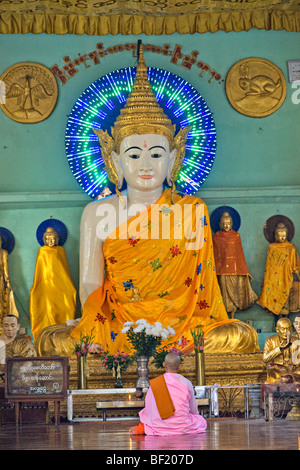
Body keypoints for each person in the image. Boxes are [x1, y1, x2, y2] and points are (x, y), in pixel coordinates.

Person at [35, 43, 260, 357]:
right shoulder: (98, 212)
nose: (145, 164)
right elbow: (89, 284)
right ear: (115, 161)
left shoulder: (192, 211)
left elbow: (202, 288)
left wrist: (174, 321)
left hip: (181, 325)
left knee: (237, 336)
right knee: (53, 341)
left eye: (156, 154)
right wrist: (96, 322)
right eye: (133, 154)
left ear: (172, 160)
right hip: (116, 323)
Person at [130, 353, 207, 436]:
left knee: (149, 423)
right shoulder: (187, 382)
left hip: (159, 425)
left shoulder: (156, 383)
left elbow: (149, 408)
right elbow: (193, 409)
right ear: (179, 366)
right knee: (201, 421)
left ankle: (147, 428)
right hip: (183, 425)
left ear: (163, 365)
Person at [30, 226, 76, 339]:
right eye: (48, 239)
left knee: (67, 302)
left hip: (60, 284)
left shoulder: (60, 250)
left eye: (53, 239)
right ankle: (44, 336)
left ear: (57, 239)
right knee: (47, 308)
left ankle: (63, 335)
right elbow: (39, 273)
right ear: (44, 239)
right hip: (45, 285)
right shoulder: (42, 251)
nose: (51, 241)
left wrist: (68, 286)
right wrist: (37, 287)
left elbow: (64, 270)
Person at [212, 210, 258, 318]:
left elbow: (239, 254)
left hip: (234, 270)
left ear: (232, 224)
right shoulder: (216, 237)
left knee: (235, 293)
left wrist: (245, 271)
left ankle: (232, 316)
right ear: (220, 224)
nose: (226, 225)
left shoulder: (236, 236)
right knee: (224, 294)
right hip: (222, 270)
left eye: (228, 223)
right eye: (224, 223)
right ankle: (224, 316)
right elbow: (214, 254)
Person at [258, 221, 300, 317]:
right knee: (274, 296)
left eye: (284, 235)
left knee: (286, 299)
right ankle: (279, 320)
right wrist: (268, 279)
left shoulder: (291, 248)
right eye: (280, 235)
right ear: (276, 235)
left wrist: (298, 276)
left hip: (286, 277)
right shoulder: (272, 247)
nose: (282, 238)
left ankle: (286, 321)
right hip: (274, 278)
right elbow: (269, 265)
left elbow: (295, 265)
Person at [262, 316, 300, 383]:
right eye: (283, 329)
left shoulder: (296, 341)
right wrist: (279, 349)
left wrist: (294, 365)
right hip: (279, 370)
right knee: (270, 366)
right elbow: (265, 359)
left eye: (288, 329)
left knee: (288, 377)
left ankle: (288, 376)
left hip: (294, 371)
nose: (285, 332)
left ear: (291, 329)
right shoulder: (270, 341)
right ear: (277, 330)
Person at [0, 234, 19, 324]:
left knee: (2, 301)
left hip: (1, 280)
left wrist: (8, 282)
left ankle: (1, 321)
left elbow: (5, 269)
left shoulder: (3, 253)